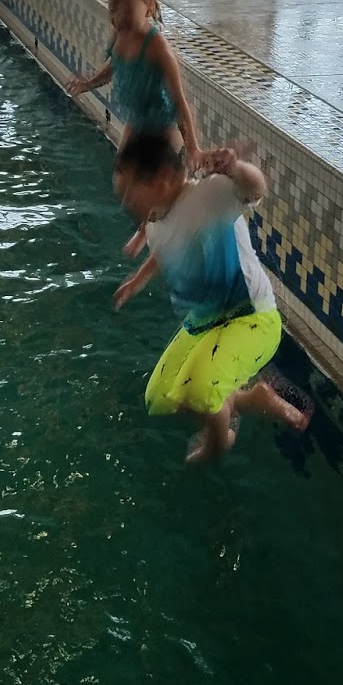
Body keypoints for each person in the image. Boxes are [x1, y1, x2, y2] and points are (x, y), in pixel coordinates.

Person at [112, 135, 311, 463]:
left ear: (163, 180)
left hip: (251, 317)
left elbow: (255, 188)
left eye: (131, 191)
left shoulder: (209, 194)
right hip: (204, 321)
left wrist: (237, 169)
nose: (125, 201)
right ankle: (252, 399)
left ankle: (218, 445)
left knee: (202, 392)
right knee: (160, 399)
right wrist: (137, 281)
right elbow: (164, 253)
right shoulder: (157, 224)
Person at [66, 0, 201, 168]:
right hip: (137, 119)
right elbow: (114, 66)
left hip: (163, 124)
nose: (118, 16)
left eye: (127, 9)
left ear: (149, 7)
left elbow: (179, 100)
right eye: (113, 8)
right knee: (123, 173)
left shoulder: (157, 47)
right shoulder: (122, 35)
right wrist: (88, 84)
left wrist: (192, 148)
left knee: (149, 182)